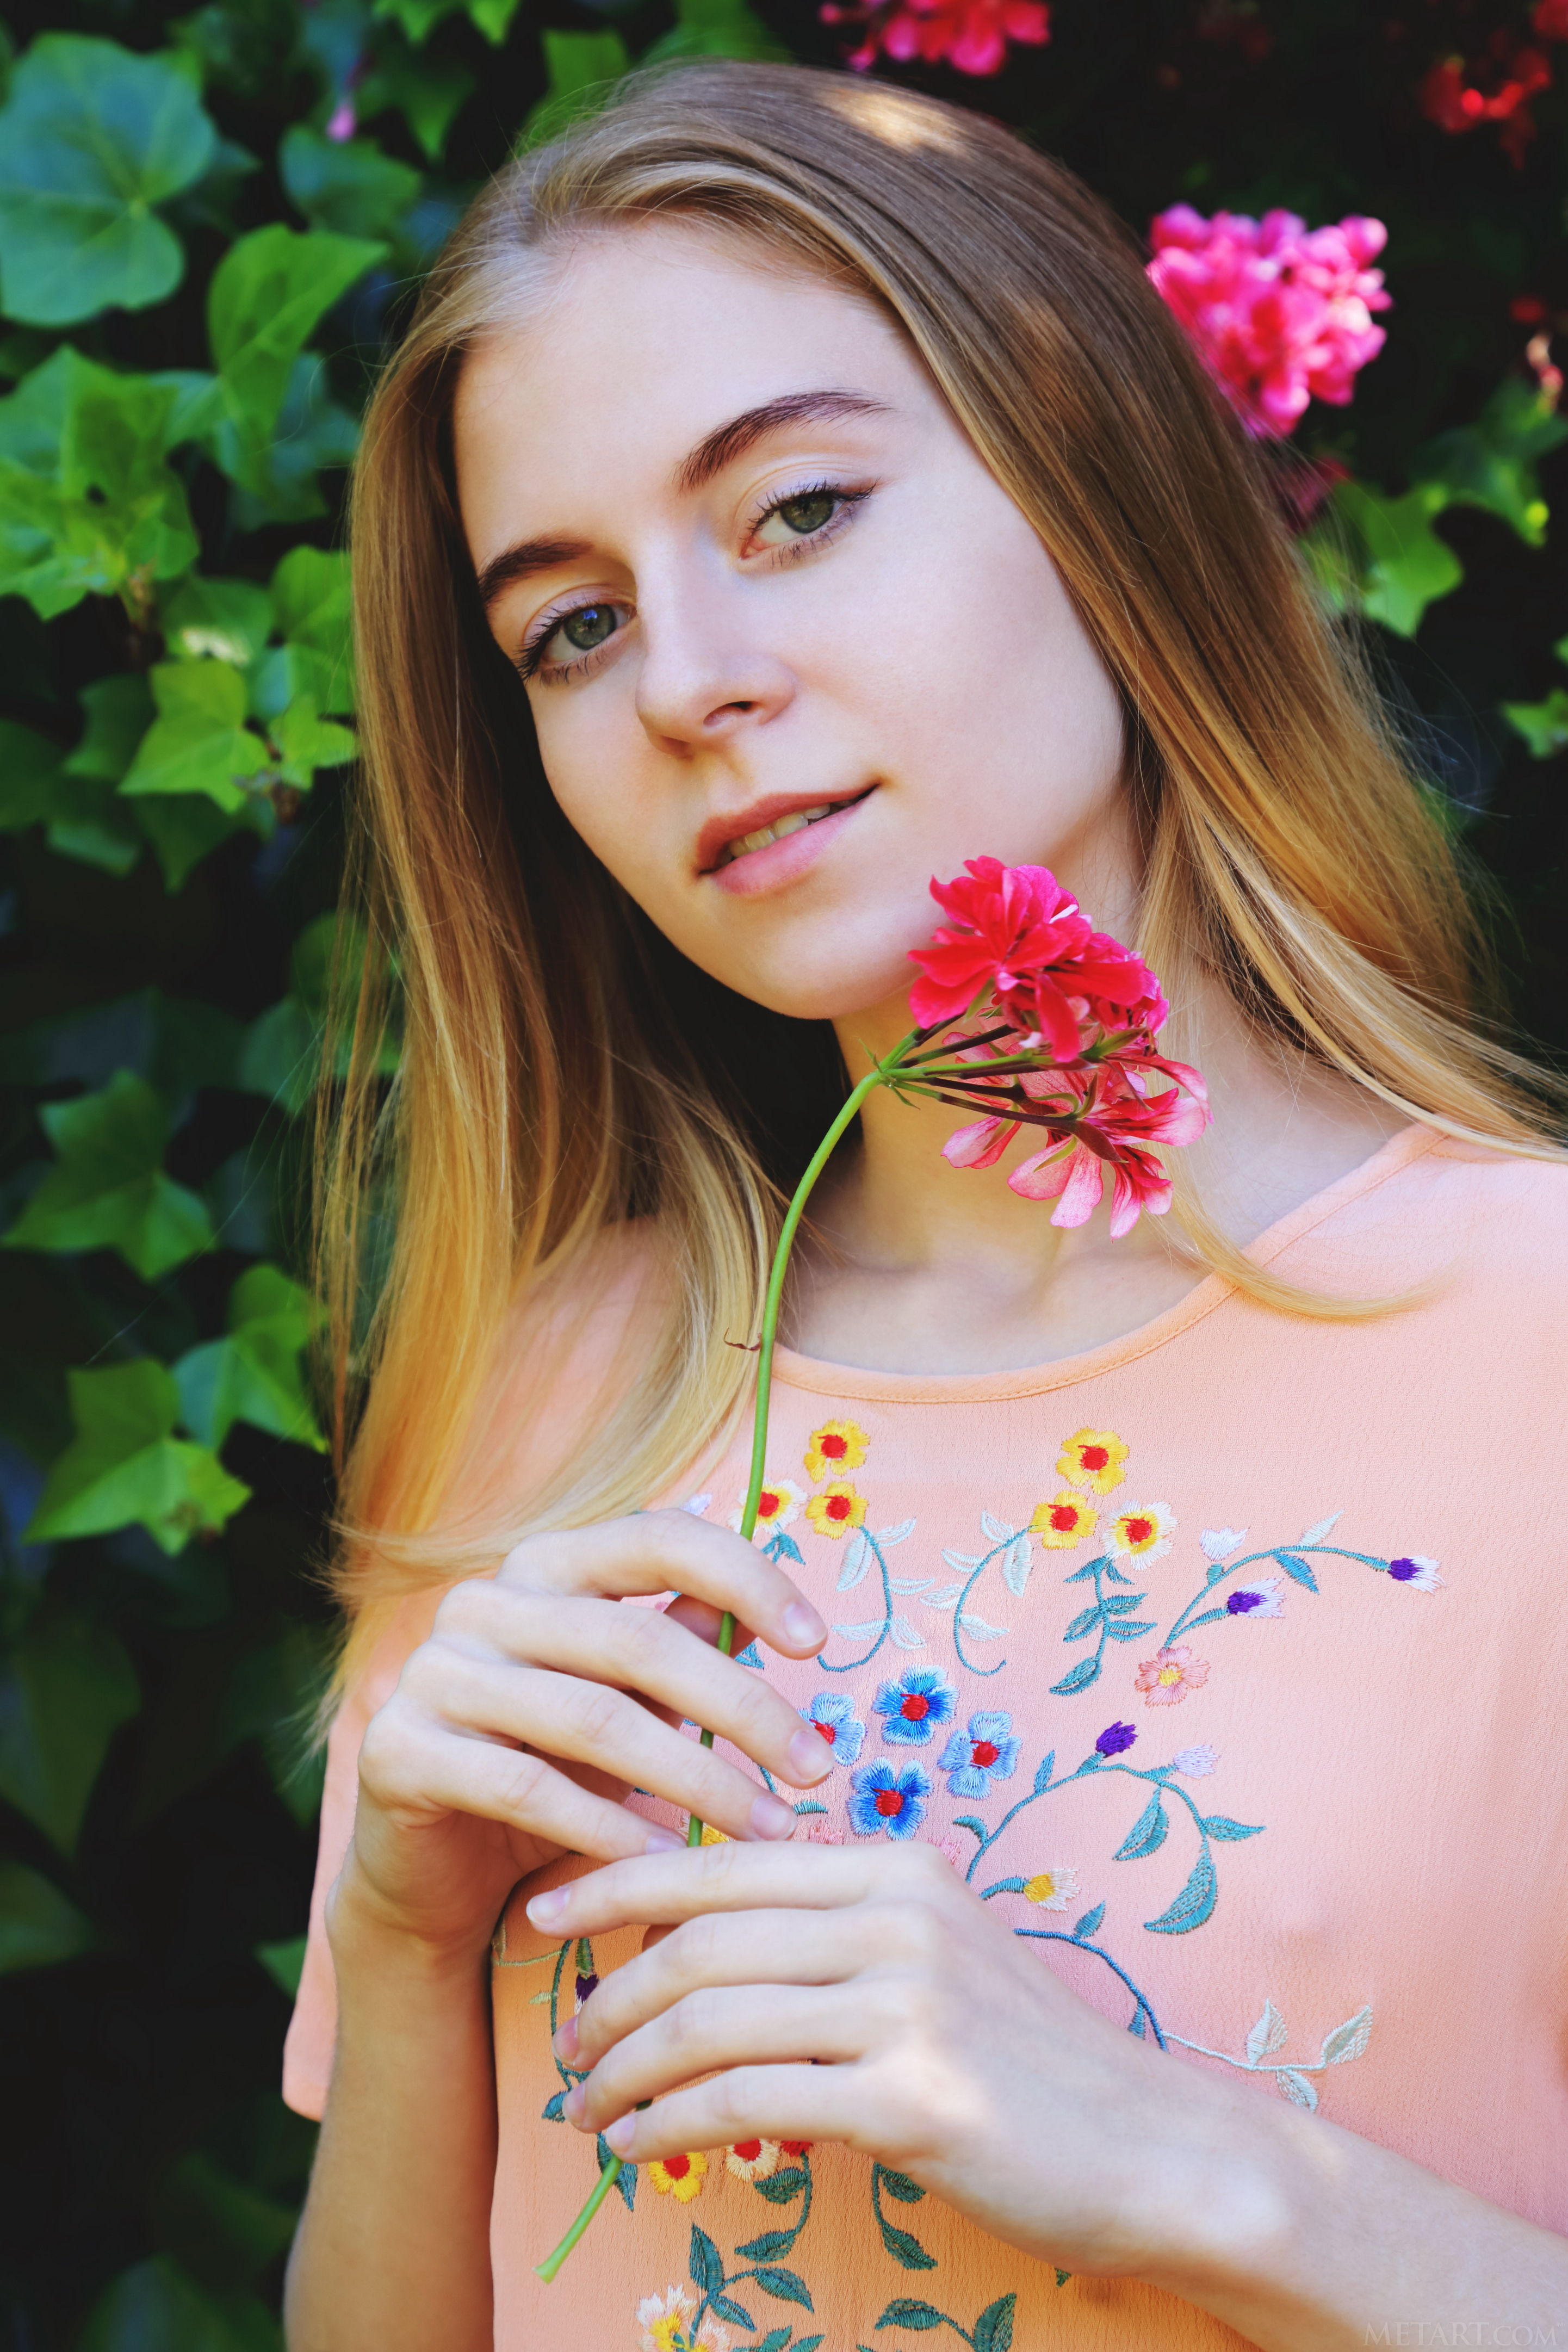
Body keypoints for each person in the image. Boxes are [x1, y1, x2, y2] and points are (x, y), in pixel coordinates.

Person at [280, 60, 1568, 2352]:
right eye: (568, 629)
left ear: (1093, 477)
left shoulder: (1531, 1343)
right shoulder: (551, 1390)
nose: (690, 683)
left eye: (795, 509)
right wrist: (401, 1941)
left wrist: (1186, 2162)